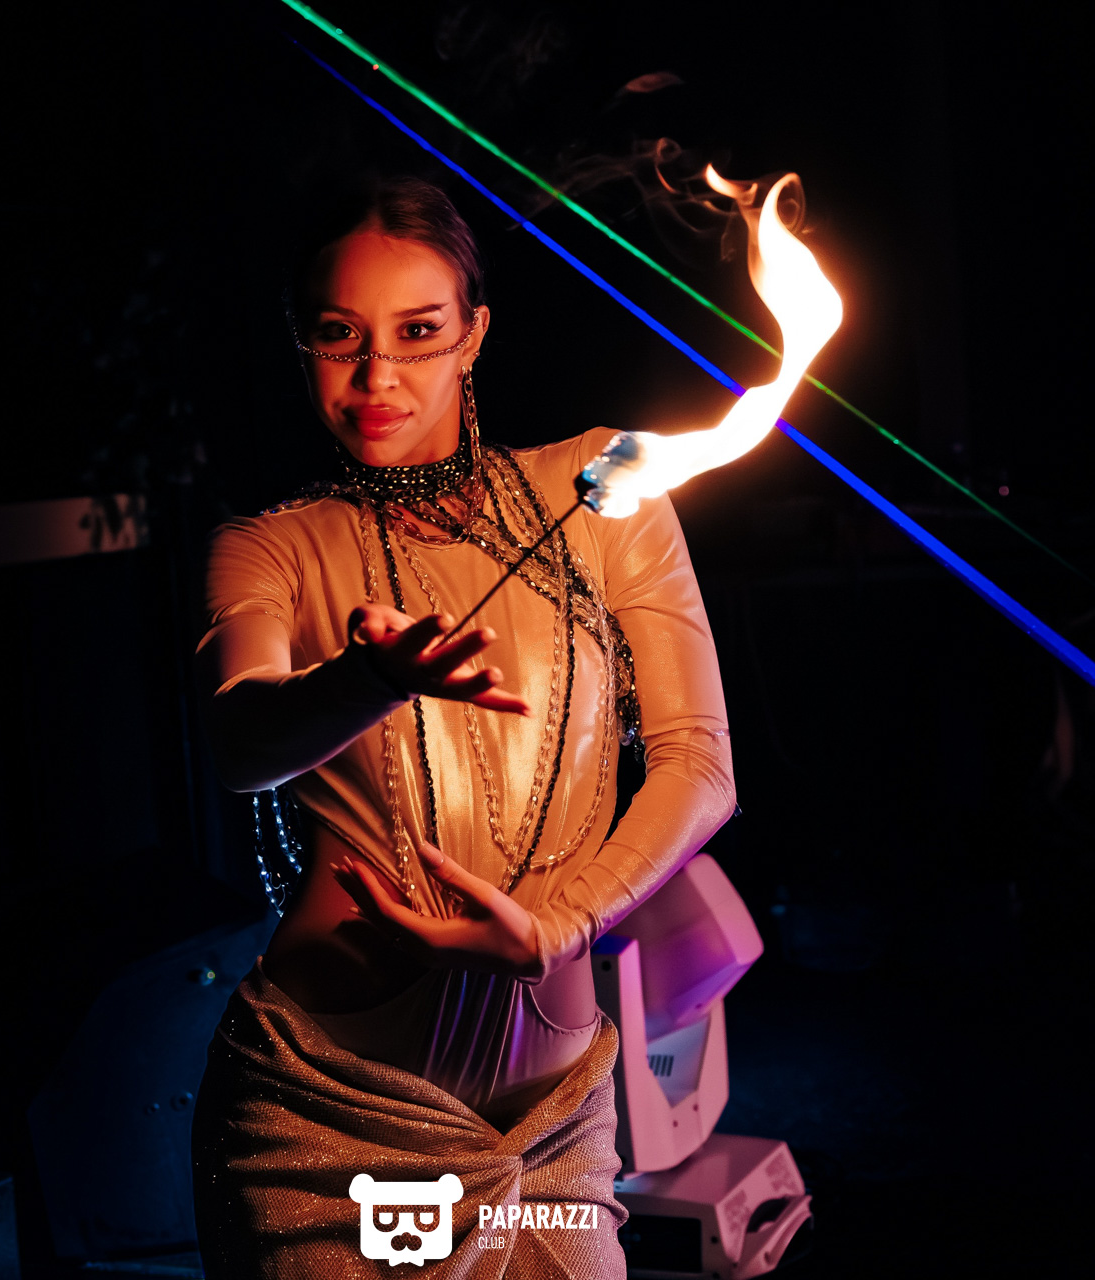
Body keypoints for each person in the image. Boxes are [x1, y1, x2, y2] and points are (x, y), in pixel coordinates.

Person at [189, 175, 736, 1278]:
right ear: (301, 342)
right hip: (330, 1117)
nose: (376, 376)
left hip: (553, 1125)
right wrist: (366, 680)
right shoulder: (270, 546)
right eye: (339, 335)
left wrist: (557, 923)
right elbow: (240, 745)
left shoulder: (607, 492)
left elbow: (700, 765)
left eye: (418, 331)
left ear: (474, 333)